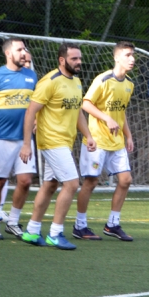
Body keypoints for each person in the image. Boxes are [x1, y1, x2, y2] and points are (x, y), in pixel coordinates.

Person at [20, 43, 96, 250]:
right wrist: (26, 144)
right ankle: (55, 233)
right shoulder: (50, 81)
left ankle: (32, 231)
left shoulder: (76, 82)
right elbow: (30, 111)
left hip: (65, 142)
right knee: (71, 184)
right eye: (74, 59)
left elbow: (77, 112)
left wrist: (88, 135)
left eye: (80, 58)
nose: (79, 62)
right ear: (62, 60)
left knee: (50, 185)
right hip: (51, 141)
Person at [72, 42, 137, 242]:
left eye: (133, 55)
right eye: (127, 55)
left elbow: (121, 112)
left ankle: (112, 224)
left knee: (125, 180)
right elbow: (86, 103)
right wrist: (106, 118)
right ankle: (79, 226)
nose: (132, 59)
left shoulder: (129, 84)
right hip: (97, 140)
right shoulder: (103, 79)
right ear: (117, 58)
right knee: (91, 182)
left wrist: (128, 135)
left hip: (116, 142)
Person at [0, 38, 38, 240]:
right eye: (19, 49)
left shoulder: (31, 76)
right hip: (1, 138)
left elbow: (36, 104)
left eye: (24, 49)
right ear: (8, 53)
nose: (23, 53)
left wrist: (36, 120)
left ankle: (12, 222)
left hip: (25, 139)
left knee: (25, 181)